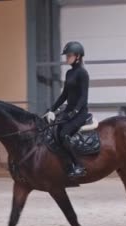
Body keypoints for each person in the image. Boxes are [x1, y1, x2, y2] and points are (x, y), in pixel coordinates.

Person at [44, 41, 90, 178]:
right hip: (68, 111)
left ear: (78, 56)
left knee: (64, 134)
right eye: (66, 55)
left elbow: (83, 97)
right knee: (53, 130)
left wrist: (74, 113)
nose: (66, 58)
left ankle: (79, 166)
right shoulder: (69, 73)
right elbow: (64, 95)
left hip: (80, 113)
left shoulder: (83, 73)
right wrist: (52, 109)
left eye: (69, 55)